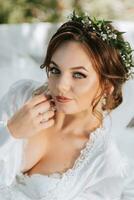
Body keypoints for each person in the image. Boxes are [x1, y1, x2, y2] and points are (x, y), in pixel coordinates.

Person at [0, 11, 134, 200]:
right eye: (55, 70)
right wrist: (11, 131)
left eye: (78, 75)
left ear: (106, 86)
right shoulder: (22, 98)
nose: (60, 85)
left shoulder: (103, 165)